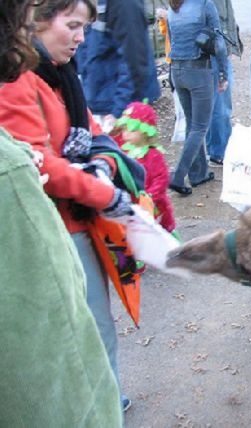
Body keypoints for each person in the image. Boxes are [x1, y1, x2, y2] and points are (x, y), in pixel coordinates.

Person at [0, 0, 136, 410]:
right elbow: (38, 164)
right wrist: (106, 194)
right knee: (85, 328)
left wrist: (102, 161)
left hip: (83, 222)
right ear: (36, 20)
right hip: (58, 228)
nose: (81, 38)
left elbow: (96, 135)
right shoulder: (17, 80)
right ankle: (99, 407)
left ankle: (106, 398)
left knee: (98, 324)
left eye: (85, 28)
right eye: (73, 25)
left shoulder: (63, 75)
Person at [167, 0, 229, 196]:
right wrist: (223, 74)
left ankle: (198, 173)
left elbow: (171, 39)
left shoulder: (173, 6)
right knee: (200, 127)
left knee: (192, 124)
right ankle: (178, 176)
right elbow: (218, 43)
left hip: (177, 69)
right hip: (199, 70)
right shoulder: (204, 4)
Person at [76, 0, 161, 132]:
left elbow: (134, 58)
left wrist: (119, 110)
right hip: (99, 102)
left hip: (117, 108)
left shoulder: (124, 4)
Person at [114, 100, 178, 234]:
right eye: (124, 128)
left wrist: (149, 196)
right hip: (131, 204)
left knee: (155, 234)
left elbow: (161, 178)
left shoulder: (153, 155)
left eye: (131, 130)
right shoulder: (122, 148)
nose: (125, 134)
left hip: (152, 206)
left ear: (144, 131)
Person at [205, 0, 243, 166]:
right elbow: (219, 25)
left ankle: (214, 150)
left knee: (213, 105)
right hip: (215, 53)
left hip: (210, 52)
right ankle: (220, 152)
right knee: (220, 106)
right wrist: (226, 50)